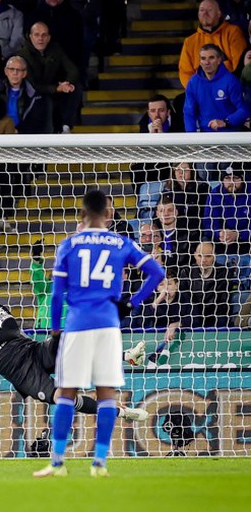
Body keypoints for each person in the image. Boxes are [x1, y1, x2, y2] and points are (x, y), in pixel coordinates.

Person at [33, 189, 164, 478]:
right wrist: (131, 303)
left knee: (66, 393)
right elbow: (156, 273)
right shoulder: (120, 242)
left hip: (77, 325)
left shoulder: (70, 244)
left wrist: (56, 329)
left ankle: (57, 463)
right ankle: (100, 463)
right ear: (108, 214)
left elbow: (56, 295)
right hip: (108, 325)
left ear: (82, 214)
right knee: (106, 393)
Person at [0, 281, 150, 427]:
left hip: (34, 351)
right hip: (23, 376)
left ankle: (126, 355)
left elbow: (9, 330)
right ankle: (121, 413)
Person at [18, 20, 83, 133]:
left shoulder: (55, 49)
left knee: (76, 88)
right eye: (37, 35)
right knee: (47, 101)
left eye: (44, 35)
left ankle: (66, 126)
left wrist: (67, 84)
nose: (40, 39)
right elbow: (34, 85)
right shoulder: (23, 55)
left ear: (48, 37)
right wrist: (56, 88)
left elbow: (72, 69)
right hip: (34, 93)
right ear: (30, 36)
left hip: (54, 89)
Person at [178, 0, 247, 89]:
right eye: (202, 10)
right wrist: (199, 91)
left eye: (209, 10)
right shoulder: (190, 41)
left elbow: (239, 66)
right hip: (201, 91)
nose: (205, 13)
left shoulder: (233, 32)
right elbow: (185, 73)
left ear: (219, 14)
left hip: (228, 89)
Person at [184, 43, 248, 132]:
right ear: (200, 61)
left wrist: (226, 122)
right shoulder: (193, 82)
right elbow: (189, 113)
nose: (207, 62)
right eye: (203, 58)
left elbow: (244, 109)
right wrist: (191, 138)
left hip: (231, 135)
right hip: (205, 135)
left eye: (211, 58)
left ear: (219, 60)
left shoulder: (231, 80)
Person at [0, 55, 53, 134]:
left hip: (23, 135)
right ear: (6, 71)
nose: (15, 73)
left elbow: (36, 122)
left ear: (24, 73)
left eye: (18, 70)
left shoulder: (34, 96)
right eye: (11, 69)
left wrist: (18, 131)